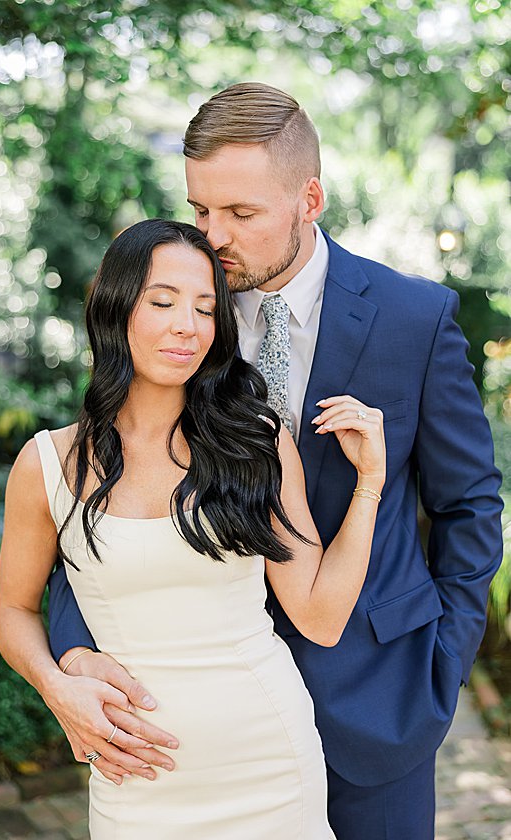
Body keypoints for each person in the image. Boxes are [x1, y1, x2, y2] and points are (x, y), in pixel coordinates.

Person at [43, 83, 504, 839]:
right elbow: (94, 498)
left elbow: (470, 506)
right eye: (200, 210)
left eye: (241, 214)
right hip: (199, 721)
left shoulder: (416, 318)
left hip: (377, 705)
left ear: (309, 199)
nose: (213, 237)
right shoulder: (175, 316)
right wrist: (75, 651)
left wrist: (441, 666)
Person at [0, 217, 386, 837]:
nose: (188, 325)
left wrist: (369, 485)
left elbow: (320, 614)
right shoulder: (48, 463)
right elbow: (14, 610)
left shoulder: (256, 442)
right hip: (136, 772)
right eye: (164, 302)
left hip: (270, 766)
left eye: (206, 308)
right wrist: (55, 684)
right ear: (115, 308)